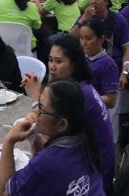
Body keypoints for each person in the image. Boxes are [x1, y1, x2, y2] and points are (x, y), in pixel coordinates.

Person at [22, 36, 116, 193]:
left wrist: (35, 96)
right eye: (50, 60)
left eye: (58, 62)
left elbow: (48, 129)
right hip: (95, 164)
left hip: (93, 176)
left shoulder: (77, 95)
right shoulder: (81, 86)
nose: (52, 67)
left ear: (74, 65)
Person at [0, 80, 106, 196]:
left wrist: (9, 141)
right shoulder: (85, 139)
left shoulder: (47, 162)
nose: (36, 111)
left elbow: (5, 192)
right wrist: (35, 136)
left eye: (41, 109)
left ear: (62, 125)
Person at [73, 21, 120, 109]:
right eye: (81, 38)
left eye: (88, 39)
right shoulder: (80, 57)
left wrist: (84, 98)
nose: (83, 43)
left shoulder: (108, 64)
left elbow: (111, 100)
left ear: (101, 39)